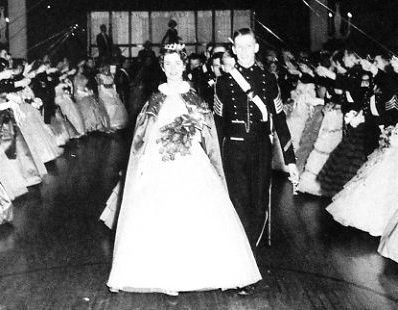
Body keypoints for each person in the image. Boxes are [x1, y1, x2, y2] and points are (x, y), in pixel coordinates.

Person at [100, 43, 261, 296]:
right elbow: (143, 135)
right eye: (168, 64)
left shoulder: (194, 97)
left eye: (177, 63)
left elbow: (206, 131)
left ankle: (210, 272)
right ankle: (161, 276)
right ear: (162, 67)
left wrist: (189, 134)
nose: (173, 68)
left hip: (190, 159)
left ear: (184, 66)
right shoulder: (155, 98)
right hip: (160, 160)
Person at [215, 28, 299, 249]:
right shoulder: (223, 83)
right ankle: (245, 253)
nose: (244, 52)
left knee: (259, 202)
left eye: (248, 46)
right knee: (239, 201)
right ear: (233, 50)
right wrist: (212, 158)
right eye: (239, 47)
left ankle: (251, 248)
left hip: (261, 149)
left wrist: (290, 160)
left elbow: (280, 120)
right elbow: (217, 124)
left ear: (256, 47)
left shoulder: (268, 79)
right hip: (233, 150)